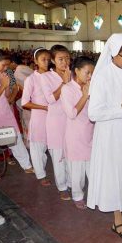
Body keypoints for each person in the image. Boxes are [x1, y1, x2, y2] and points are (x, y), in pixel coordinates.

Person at [87, 33, 122, 239]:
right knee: (116, 175)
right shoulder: (103, 76)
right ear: (113, 53)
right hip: (111, 135)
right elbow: (93, 113)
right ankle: (118, 222)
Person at [0, 50, 33, 180]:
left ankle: (27, 165)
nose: (6, 68)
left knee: (15, 138)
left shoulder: (3, 73)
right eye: (4, 65)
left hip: (5, 110)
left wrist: (7, 87)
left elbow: (7, 96)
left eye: (7, 65)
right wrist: (3, 85)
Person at [60, 56, 94, 209]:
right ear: (77, 71)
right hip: (75, 135)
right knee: (77, 170)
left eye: (92, 73)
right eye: (87, 73)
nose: (90, 77)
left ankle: (94, 194)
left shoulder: (90, 87)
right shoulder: (67, 89)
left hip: (90, 132)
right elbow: (72, 113)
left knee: (92, 169)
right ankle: (77, 195)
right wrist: (85, 96)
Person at [41, 45, 71, 200]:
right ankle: (62, 187)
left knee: (71, 153)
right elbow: (50, 99)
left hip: (72, 120)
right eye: (60, 59)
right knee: (58, 154)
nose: (65, 62)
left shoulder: (73, 74)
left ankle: (73, 183)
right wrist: (64, 83)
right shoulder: (46, 77)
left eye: (67, 58)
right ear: (53, 60)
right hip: (56, 121)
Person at [21, 48, 51, 186]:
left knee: (50, 146)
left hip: (54, 117)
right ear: (36, 61)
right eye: (43, 59)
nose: (46, 62)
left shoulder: (53, 76)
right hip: (39, 116)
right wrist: (43, 107)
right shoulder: (31, 79)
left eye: (48, 59)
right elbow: (25, 103)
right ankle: (41, 175)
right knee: (38, 148)